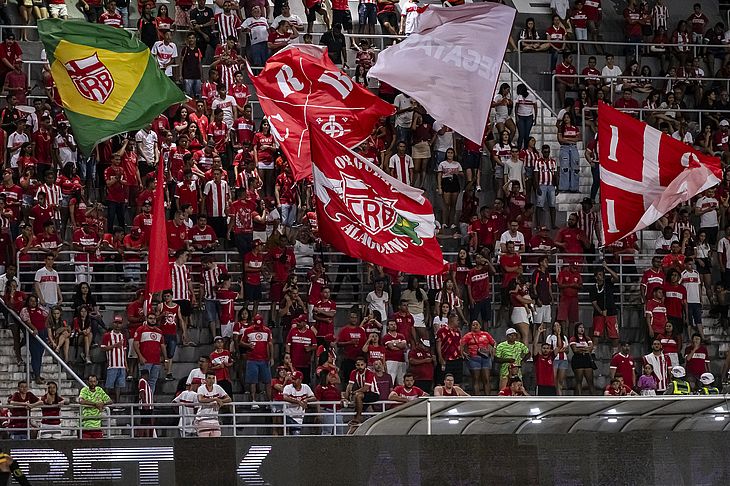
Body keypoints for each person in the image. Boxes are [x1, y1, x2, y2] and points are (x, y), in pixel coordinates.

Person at [241, 313, 273, 409]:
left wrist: (271, 357)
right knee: (253, 381)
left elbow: (270, 344)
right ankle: (253, 401)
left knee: (267, 381)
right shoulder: (248, 330)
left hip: (264, 359)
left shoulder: (267, 331)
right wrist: (248, 345)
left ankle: (269, 402)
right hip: (252, 359)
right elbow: (241, 342)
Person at [133, 312, 169, 395]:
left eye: (154, 319)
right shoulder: (141, 329)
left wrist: (165, 359)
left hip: (156, 361)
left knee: (153, 381)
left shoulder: (159, 331)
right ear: (147, 319)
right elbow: (135, 344)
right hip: (145, 360)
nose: (153, 320)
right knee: (143, 381)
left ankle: (150, 401)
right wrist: (140, 357)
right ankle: (142, 401)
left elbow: (162, 345)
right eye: (150, 318)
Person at [344, 356, 380, 425]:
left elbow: (366, 388)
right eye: (358, 365)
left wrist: (354, 392)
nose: (360, 367)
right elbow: (350, 385)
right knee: (358, 396)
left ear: (365, 365)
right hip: (363, 394)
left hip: (373, 394)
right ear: (355, 365)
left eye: (361, 365)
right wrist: (346, 397)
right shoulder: (354, 372)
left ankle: (358, 417)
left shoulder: (369, 373)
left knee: (358, 396)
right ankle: (356, 418)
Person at [100, 316, 127, 404]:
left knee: (119, 386)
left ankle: (117, 403)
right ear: (113, 323)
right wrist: (115, 345)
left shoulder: (123, 336)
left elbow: (124, 351)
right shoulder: (107, 335)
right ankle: (106, 402)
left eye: (119, 323)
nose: (117, 325)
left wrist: (126, 365)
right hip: (112, 364)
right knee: (109, 385)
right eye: (116, 323)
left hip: (121, 364)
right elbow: (103, 348)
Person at [196, 371, 231, 437]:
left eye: (213, 378)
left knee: (217, 442)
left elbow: (229, 399)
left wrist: (220, 401)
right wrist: (215, 399)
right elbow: (200, 399)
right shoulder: (201, 388)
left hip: (215, 420)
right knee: (204, 443)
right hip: (203, 419)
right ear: (205, 379)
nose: (211, 380)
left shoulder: (217, 387)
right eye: (209, 378)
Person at [78, 375, 112, 439]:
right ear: (88, 382)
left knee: (98, 446)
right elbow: (81, 401)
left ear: (97, 382)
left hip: (97, 426)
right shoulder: (84, 390)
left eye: (94, 381)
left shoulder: (99, 390)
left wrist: (102, 404)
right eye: (91, 381)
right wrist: (95, 404)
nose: (92, 383)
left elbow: (110, 401)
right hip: (85, 425)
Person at [282, 370, 315, 434]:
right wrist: (298, 402)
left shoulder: (306, 387)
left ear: (300, 379)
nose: (292, 381)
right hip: (289, 415)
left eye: (295, 379)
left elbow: (314, 397)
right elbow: (285, 397)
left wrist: (306, 400)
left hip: (300, 416)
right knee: (295, 433)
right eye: (292, 379)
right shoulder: (288, 387)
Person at [570, 323, 595, 395]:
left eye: (583, 327)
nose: (582, 329)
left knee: (590, 381)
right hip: (578, 359)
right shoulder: (573, 338)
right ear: (576, 329)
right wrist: (585, 349)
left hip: (587, 359)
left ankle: (594, 399)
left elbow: (590, 348)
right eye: (580, 327)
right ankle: (578, 398)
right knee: (578, 381)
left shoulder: (587, 338)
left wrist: (581, 349)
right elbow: (575, 350)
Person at [533, 325, 556, 396]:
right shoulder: (537, 358)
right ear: (541, 349)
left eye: (547, 348)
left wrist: (558, 334)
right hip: (540, 385)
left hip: (551, 385)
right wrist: (538, 333)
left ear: (550, 350)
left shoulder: (551, 357)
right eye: (544, 348)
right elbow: (535, 345)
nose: (545, 350)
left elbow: (558, 346)